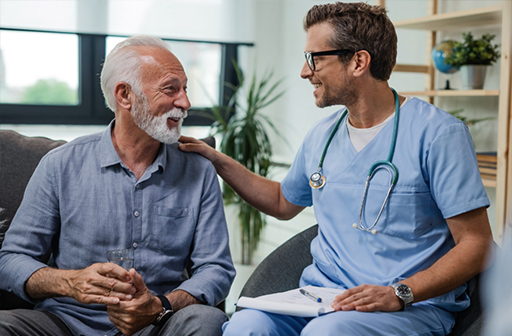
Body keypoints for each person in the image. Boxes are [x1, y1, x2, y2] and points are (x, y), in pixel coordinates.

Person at [178, 2, 493, 335]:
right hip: (322, 298)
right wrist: (217, 160)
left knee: (326, 333)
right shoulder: (323, 136)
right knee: (245, 326)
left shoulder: (438, 134)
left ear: (358, 61)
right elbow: (284, 202)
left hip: (407, 306)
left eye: (315, 58)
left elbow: (476, 243)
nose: (304, 71)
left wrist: (401, 293)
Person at [0, 35, 235, 336]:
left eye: (184, 88)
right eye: (170, 89)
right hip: (67, 322)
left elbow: (217, 268)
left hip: (158, 324)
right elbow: (10, 260)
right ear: (125, 96)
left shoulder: (198, 170)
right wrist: (69, 282)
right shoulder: (60, 165)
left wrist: (160, 305)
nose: (185, 102)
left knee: (208, 321)